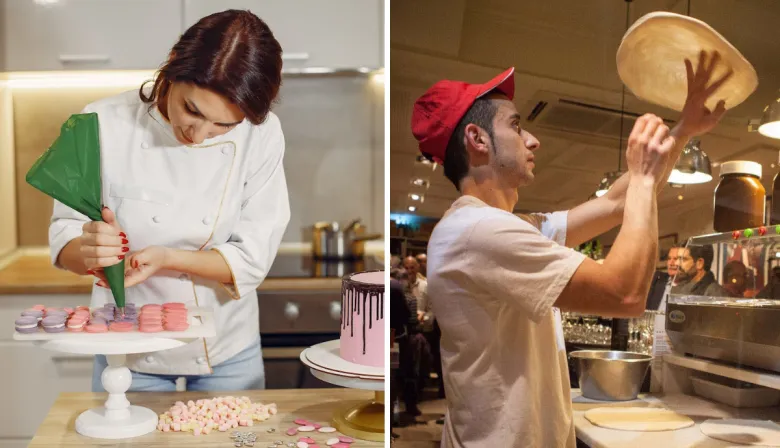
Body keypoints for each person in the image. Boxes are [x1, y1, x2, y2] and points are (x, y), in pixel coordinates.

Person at [411, 51, 731, 447]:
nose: (533, 139)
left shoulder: (500, 226)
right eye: (515, 126)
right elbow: (626, 293)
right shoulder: (480, 230)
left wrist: (682, 129)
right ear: (477, 141)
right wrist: (645, 179)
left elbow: (615, 204)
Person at [49, 9, 290, 392]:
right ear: (172, 68)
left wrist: (168, 258)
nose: (199, 134)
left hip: (224, 349)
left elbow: (252, 257)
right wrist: (89, 249)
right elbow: (64, 238)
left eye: (222, 126)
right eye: (192, 110)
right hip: (126, 346)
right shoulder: (101, 121)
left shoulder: (261, 134)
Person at [646, 245, 680, 311]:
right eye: (669, 258)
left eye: (676, 259)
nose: (671, 263)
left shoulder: (692, 286)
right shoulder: (656, 279)